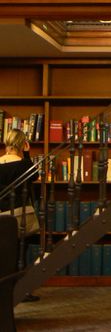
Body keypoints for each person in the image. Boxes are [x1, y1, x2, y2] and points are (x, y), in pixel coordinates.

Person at [0, 128, 40, 302]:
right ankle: (21, 291)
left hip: (1, 216)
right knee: (20, 253)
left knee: (4, 254)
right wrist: (28, 153)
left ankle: (5, 291)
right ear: (22, 144)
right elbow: (35, 175)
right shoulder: (24, 164)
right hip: (20, 214)